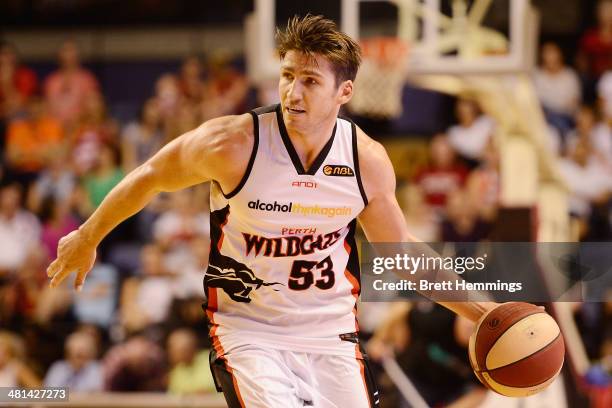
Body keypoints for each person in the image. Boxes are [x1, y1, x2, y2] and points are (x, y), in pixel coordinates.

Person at [47, 15, 498, 407]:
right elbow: (151, 174)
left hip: (330, 332)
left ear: (344, 91)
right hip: (249, 330)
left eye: (310, 81)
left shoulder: (366, 160)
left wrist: (483, 313)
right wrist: (89, 235)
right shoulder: (233, 144)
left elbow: (400, 254)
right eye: (288, 76)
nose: (293, 92)